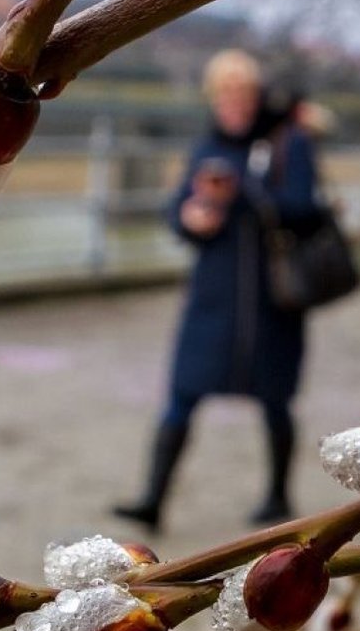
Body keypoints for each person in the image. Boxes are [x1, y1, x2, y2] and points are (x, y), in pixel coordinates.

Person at [113, 50, 323, 533]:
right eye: (224, 93)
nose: (234, 102)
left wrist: (243, 190)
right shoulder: (206, 145)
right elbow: (176, 212)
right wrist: (191, 219)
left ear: (256, 95)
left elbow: (304, 211)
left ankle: (276, 495)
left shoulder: (289, 142)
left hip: (273, 300)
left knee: (276, 399)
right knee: (182, 395)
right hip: (213, 296)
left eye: (242, 92)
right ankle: (152, 499)